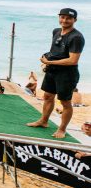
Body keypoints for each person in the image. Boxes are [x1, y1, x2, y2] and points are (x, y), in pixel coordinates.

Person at [28, 8, 85, 139]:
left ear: (74, 20)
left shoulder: (76, 37)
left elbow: (73, 60)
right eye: (62, 17)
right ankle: (43, 121)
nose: (64, 20)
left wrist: (50, 63)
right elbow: (55, 50)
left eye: (68, 18)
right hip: (52, 71)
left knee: (65, 102)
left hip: (67, 74)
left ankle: (62, 129)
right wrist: (47, 58)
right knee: (47, 96)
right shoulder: (56, 31)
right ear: (59, 18)